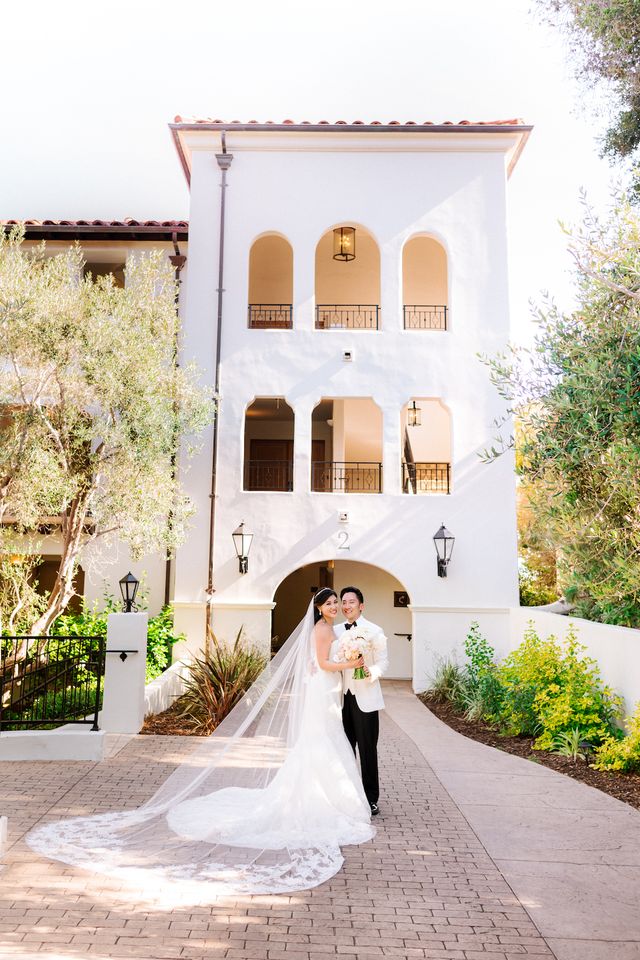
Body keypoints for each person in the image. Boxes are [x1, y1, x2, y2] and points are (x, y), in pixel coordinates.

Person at [25, 588, 375, 897]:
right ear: (319, 608)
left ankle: (328, 796)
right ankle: (321, 799)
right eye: (330, 603)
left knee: (325, 741)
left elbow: (320, 663)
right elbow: (322, 663)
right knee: (321, 742)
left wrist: (348, 662)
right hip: (322, 691)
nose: (334, 607)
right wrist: (351, 662)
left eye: (336, 603)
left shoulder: (330, 628)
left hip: (328, 692)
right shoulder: (321, 629)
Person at [334, 586, 388, 816]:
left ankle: (370, 798)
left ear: (361, 605)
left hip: (366, 698)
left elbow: (383, 662)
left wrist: (370, 671)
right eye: (344, 602)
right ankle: (347, 797)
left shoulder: (375, 631)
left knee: (367, 750)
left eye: (351, 602)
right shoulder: (335, 630)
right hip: (341, 699)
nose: (346, 606)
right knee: (344, 749)